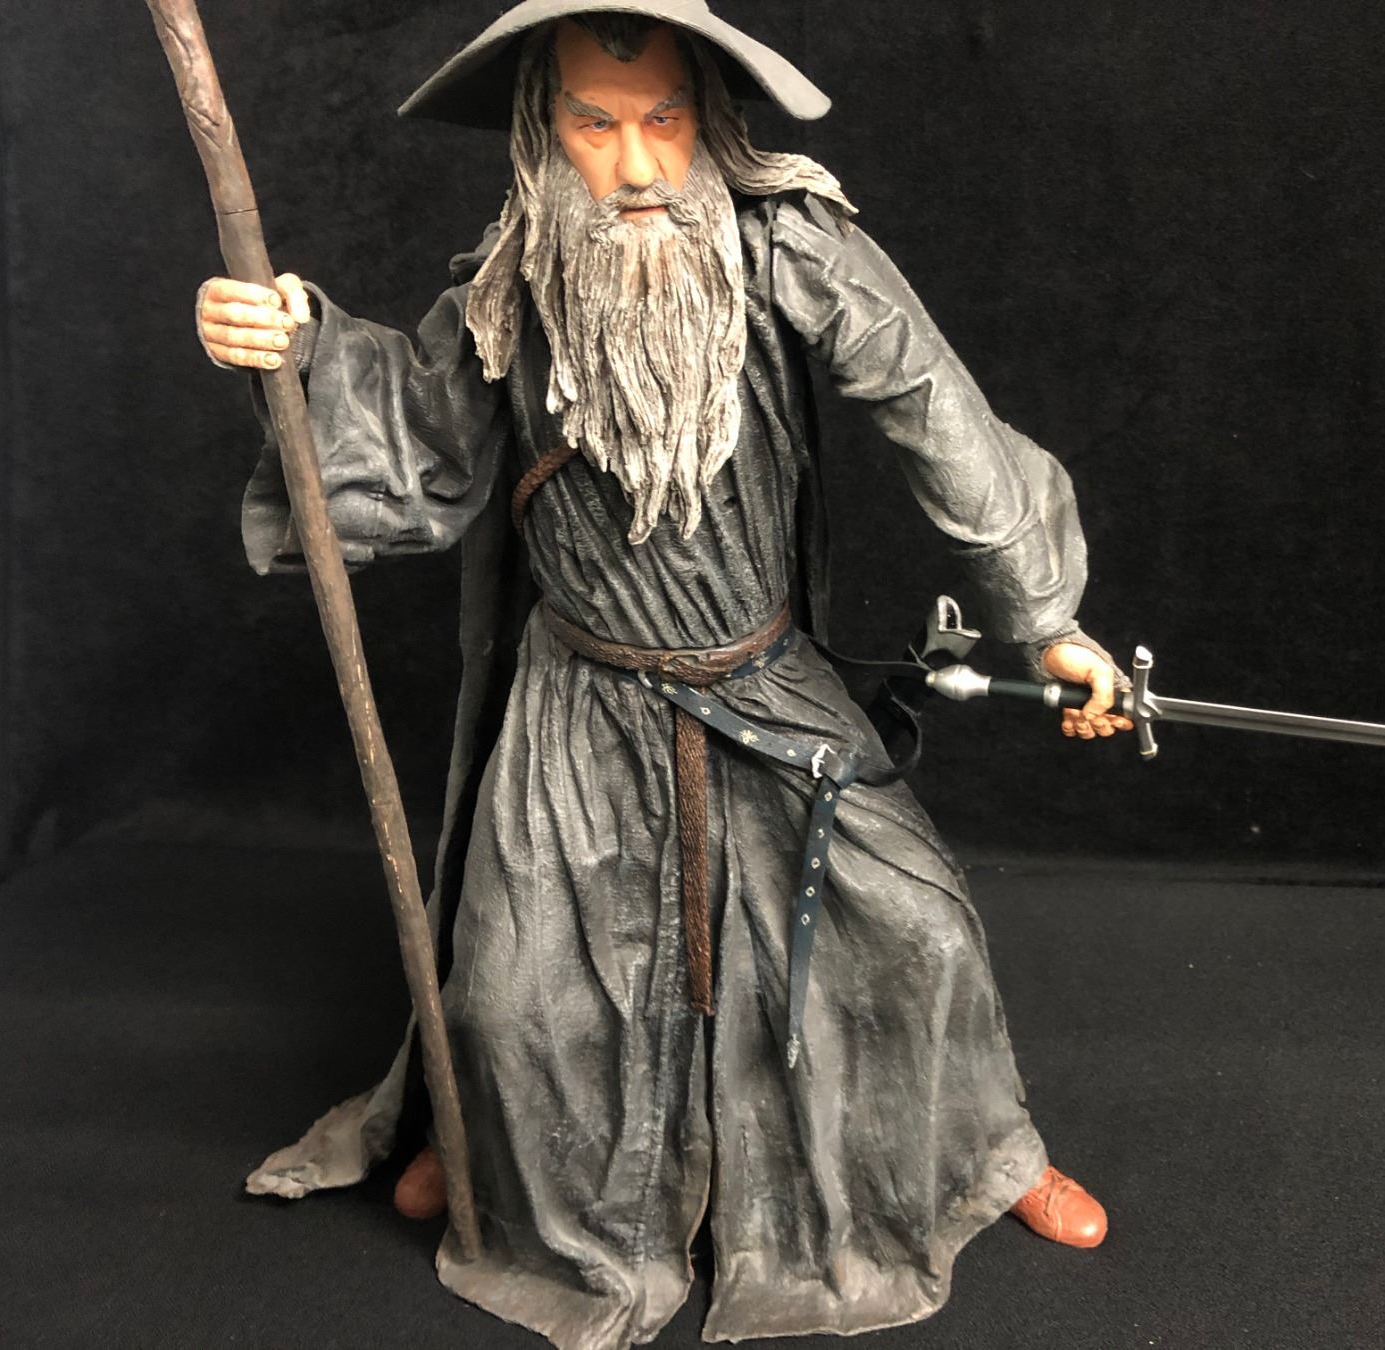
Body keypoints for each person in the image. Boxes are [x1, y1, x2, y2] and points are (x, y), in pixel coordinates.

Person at [200, 4, 1130, 1346]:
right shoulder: (509, 290)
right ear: (545, 133)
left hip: (760, 685)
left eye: (663, 120)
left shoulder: (789, 249)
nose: (635, 163)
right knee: (511, 996)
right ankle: (492, 1161)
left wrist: (1047, 623)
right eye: (596, 124)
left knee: (921, 934)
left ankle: (984, 1156)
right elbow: (415, 447)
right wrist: (294, 344)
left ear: (709, 119)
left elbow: (941, 415)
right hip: (578, 705)